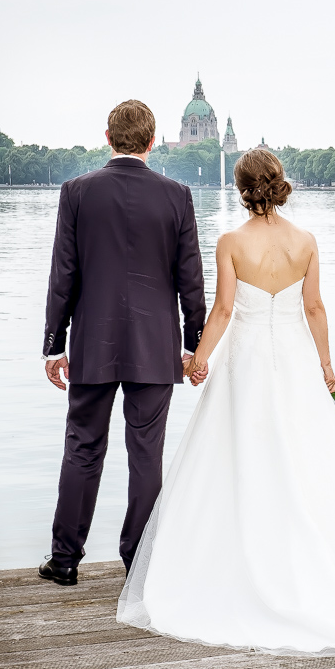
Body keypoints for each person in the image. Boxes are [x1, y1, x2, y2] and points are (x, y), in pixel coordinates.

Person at [116, 149, 335, 655]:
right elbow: (314, 307)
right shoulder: (305, 242)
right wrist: (326, 365)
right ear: (279, 184)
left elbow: (221, 310)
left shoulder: (230, 242)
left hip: (245, 363)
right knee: (308, 456)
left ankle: (239, 556)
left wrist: (197, 360)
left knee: (238, 455)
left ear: (241, 189)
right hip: (293, 360)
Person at [39, 100, 206, 586]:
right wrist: (195, 344)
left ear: (107, 136)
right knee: (146, 454)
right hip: (155, 346)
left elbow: (62, 275)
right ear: (152, 141)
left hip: (93, 341)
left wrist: (54, 345)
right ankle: (140, 561)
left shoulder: (76, 192)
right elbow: (190, 281)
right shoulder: (178, 196)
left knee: (82, 448)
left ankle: (65, 560)